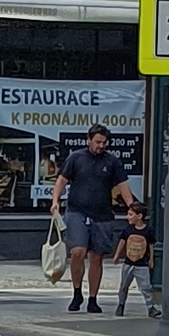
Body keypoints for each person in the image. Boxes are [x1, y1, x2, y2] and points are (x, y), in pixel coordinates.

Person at [50, 125, 126, 315]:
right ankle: (77, 292)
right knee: (78, 251)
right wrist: (55, 201)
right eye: (98, 141)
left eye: (104, 142)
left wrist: (132, 206)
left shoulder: (112, 162)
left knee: (96, 257)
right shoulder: (76, 158)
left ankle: (93, 298)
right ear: (88, 140)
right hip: (77, 211)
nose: (101, 146)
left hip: (102, 214)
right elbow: (61, 180)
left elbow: (123, 185)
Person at [111, 185, 156, 317]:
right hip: (128, 262)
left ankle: (151, 307)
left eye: (131, 214)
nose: (128, 217)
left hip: (142, 264)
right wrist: (117, 255)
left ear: (139, 216)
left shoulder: (147, 231)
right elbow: (122, 241)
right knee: (124, 285)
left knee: (146, 287)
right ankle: (121, 304)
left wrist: (151, 258)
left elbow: (151, 244)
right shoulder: (128, 230)